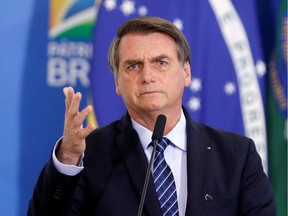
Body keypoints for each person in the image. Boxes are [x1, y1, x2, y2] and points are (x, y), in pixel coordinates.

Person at [28, 16, 276, 216]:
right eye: (133, 65)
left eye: (160, 62)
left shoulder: (236, 155)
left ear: (186, 72)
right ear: (117, 82)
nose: (147, 76)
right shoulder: (89, 154)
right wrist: (69, 157)